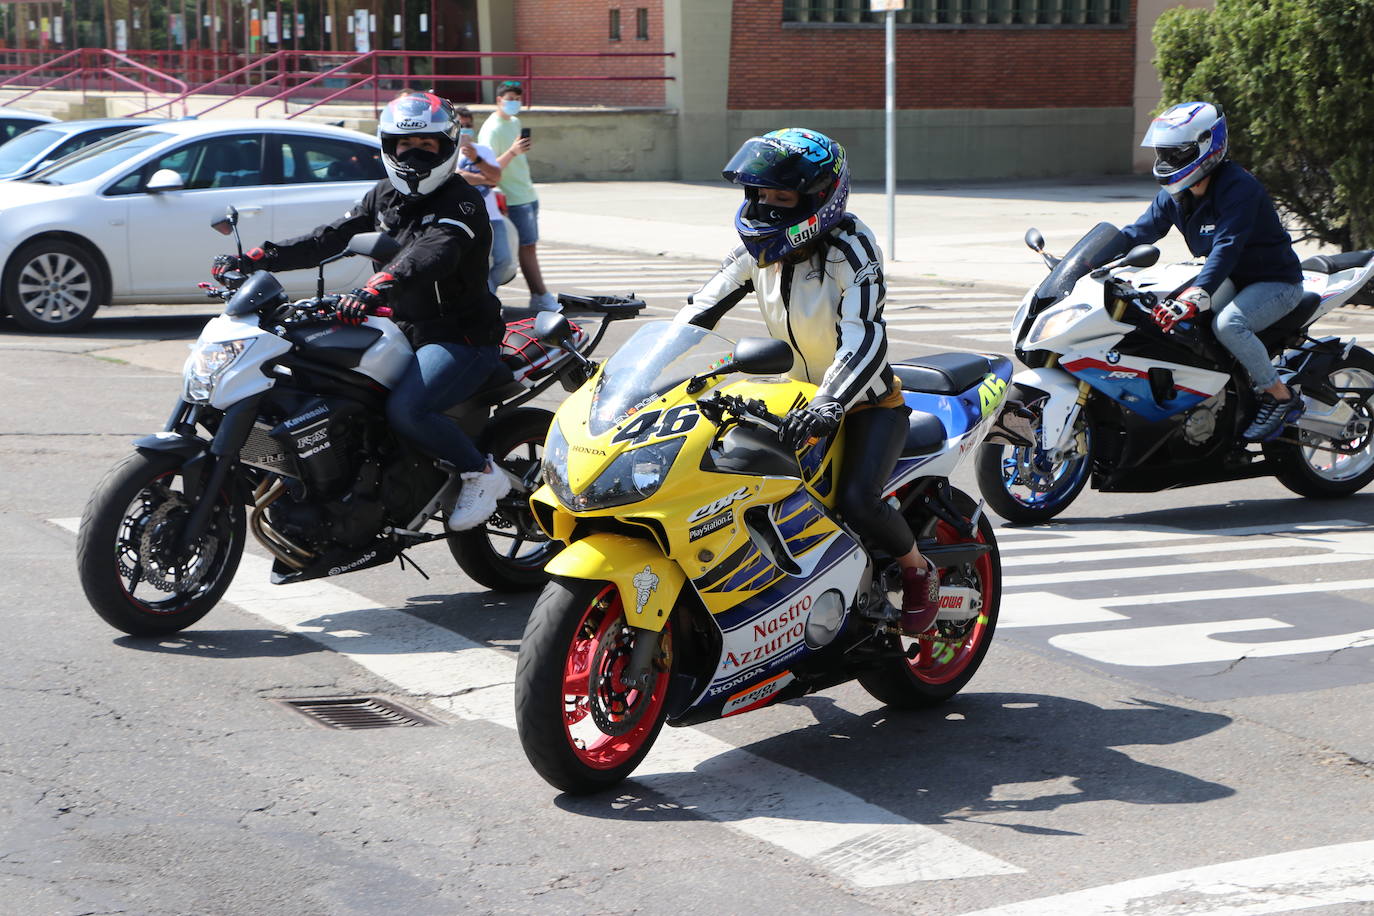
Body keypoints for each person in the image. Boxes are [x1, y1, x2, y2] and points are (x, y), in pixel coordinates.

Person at [675, 128, 941, 635]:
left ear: (819, 200)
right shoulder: (754, 252)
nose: (767, 208)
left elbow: (864, 338)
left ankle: (917, 571)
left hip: (863, 403)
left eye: (783, 197)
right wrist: (637, 372)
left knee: (858, 499)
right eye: (760, 195)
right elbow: (697, 311)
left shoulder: (853, 249)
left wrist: (830, 402)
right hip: (788, 398)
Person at [210, 91, 511, 531]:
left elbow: (433, 253)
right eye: (405, 146)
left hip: (458, 336)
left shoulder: (460, 201)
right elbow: (330, 237)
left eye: (428, 146)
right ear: (389, 147)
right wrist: (257, 258)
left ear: (448, 147)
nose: (415, 154)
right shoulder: (384, 195)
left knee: (409, 410)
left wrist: (377, 286)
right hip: (398, 327)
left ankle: (481, 474)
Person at [1116, 101, 1305, 442]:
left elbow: (1227, 245)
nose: (1168, 161)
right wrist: (1084, 260)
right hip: (1227, 278)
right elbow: (1136, 233)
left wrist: (1197, 292)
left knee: (1228, 325)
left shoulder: (1239, 187)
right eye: (1164, 152)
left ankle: (1280, 396)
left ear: (1207, 146)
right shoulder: (1175, 195)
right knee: (1161, 311)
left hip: (1274, 282)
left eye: (1177, 153)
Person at [479, 80, 559, 312]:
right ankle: (540, 295)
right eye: (509, 98)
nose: (514, 103)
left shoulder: (514, 122)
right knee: (524, 247)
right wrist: (512, 152)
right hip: (511, 197)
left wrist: (517, 151)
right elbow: (488, 168)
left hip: (526, 193)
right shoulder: (491, 129)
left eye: (517, 99)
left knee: (528, 245)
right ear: (498, 100)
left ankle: (538, 295)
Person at [453, 104, 514, 294]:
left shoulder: (483, 150)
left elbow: (496, 177)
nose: (466, 129)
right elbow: (456, 178)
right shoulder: (448, 153)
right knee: (473, 262)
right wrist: (483, 179)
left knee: (504, 260)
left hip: (492, 217)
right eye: (461, 125)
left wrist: (477, 161)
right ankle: (483, 299)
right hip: (465, 217)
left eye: (468, 125)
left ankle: (488, 293)